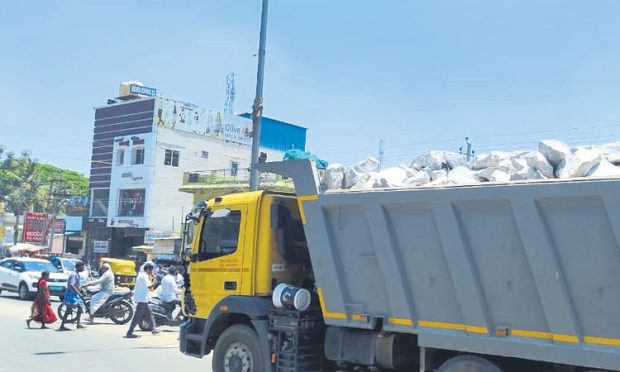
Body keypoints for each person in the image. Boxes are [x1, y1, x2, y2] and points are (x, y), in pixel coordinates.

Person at [125, 263, 159, 338]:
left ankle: (154, 329)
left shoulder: (140, 275)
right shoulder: (144, 276)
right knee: (137, 316)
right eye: (151, 270)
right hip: (142, 299)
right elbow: (150, 286)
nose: (151, 272)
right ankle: (129, 332)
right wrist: (155, 280)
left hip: (143, 299)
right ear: (148, 269)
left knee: (150, 314)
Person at [59, 262, 86, 331]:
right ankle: (62, 325)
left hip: (74, 294)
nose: (83, 268)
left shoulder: (77, 274)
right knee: (68, 310)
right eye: (82, 267)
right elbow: (71, 284)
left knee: (79, 307)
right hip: (71, 294)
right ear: (78, 267)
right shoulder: (74, 274)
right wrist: (78, 292)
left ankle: (78, 323)